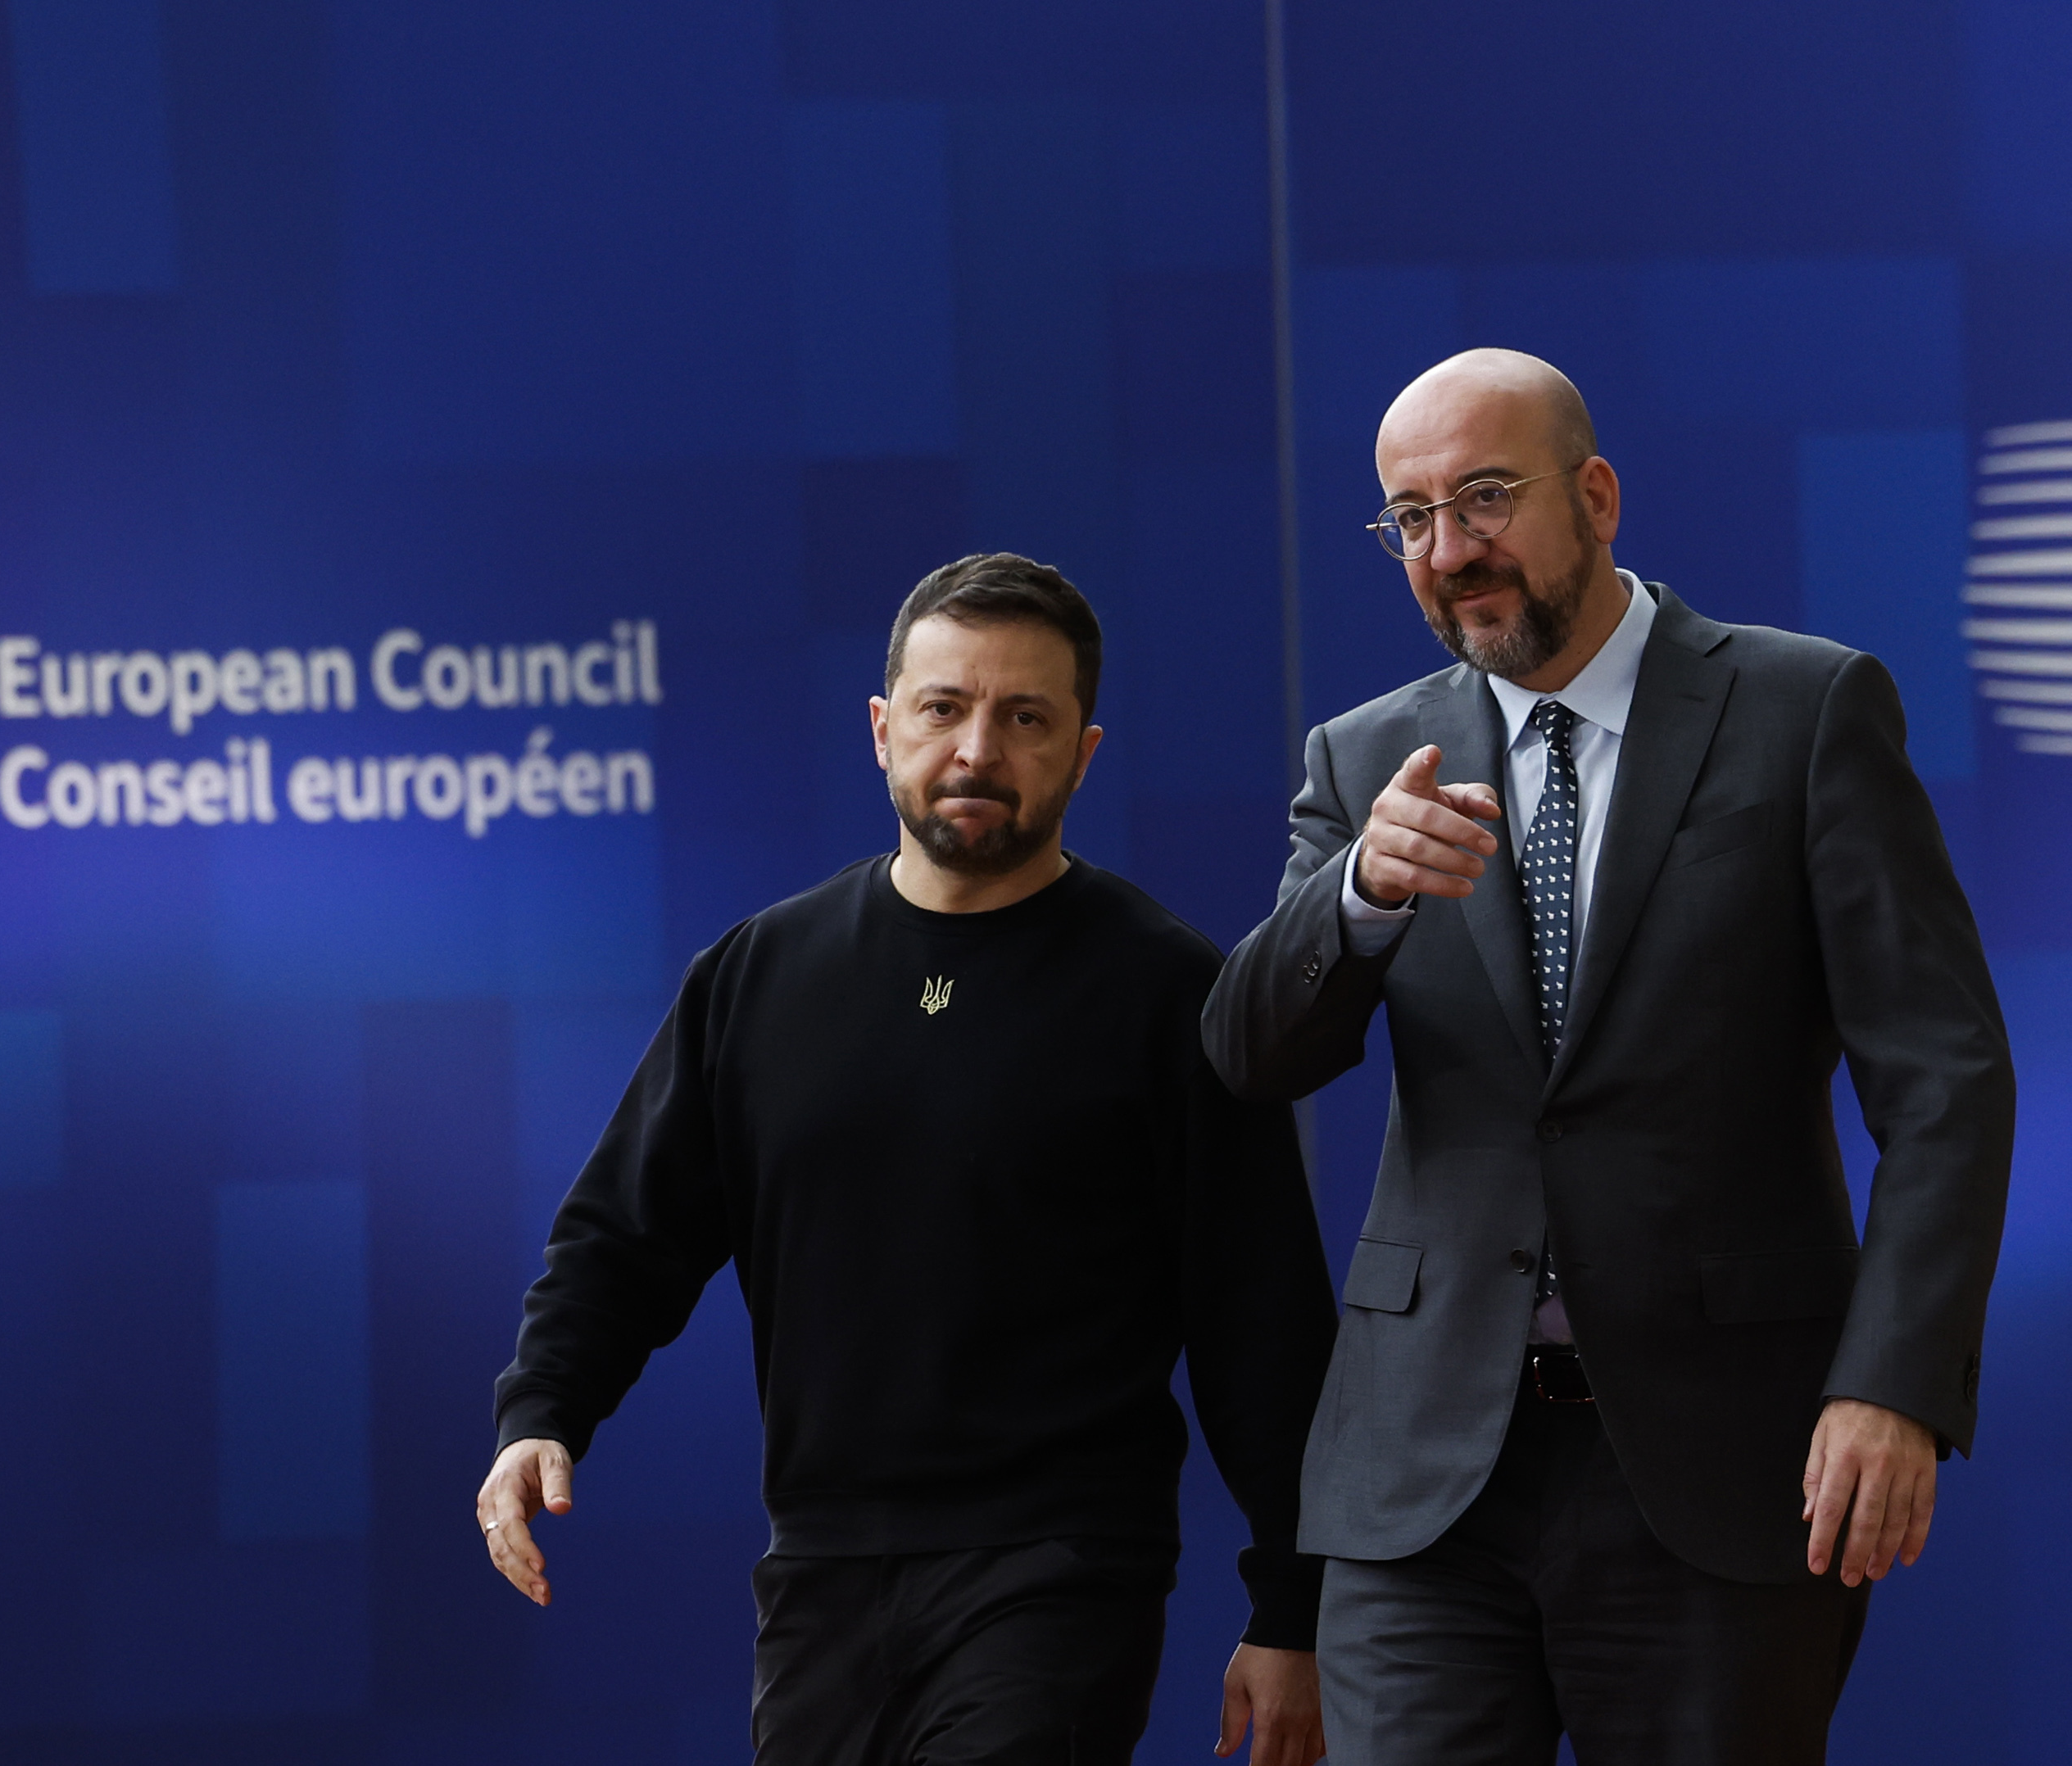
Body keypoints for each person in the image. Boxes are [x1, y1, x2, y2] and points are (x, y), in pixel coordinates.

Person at [1202, 349, 2015, 1764]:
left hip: (1721, 1461)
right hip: (1422, 1482)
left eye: (1486, 499)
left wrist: (1892, 1382)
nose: (1449, 552)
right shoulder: (1367, 760)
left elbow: (1947, 1083)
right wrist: (1359, 900)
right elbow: (1250, 1053)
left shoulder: (1805, 710)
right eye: (1410, 517)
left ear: (1596, 494)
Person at [478, 554, 1339, 1765]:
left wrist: (1293, 1606)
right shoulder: (758, 976)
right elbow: (627, 1232)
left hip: (1061, 1566)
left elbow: (1266, 1324)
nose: (977, 750)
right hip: (821, 1568)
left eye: (1024, 718)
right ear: (885, 732)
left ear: (1084, 754)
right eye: (944, 709)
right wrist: (543, 1411)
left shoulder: (1171, 994)